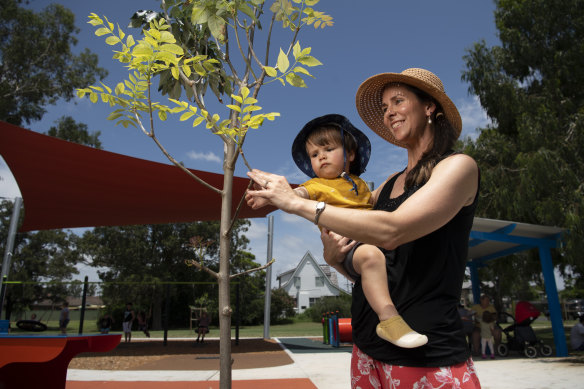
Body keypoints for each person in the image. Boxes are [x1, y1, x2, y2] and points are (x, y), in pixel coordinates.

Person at [246, 68, 481, 387]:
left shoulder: (457, 167)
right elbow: (378, 263)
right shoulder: (384, 186)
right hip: (367, 347)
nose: (389, 113)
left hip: (427, 354)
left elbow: (393, 229)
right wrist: (333, 259)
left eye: (398, 101)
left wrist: (294, 201)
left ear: (430, 107)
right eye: (384, 107)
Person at [290, 113, 426, 348]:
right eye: (314, 154)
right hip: (350, 243)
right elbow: (299, 195)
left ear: (350, 154)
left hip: (369, 238)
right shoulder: (315, 185)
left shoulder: (360, 184)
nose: (321, 156)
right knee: (370, 256)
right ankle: (388, 319)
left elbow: (372, 207)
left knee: (378, 256)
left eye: (328, 149)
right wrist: (285, 195)